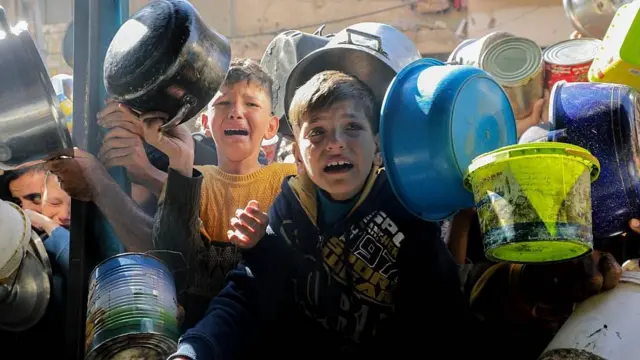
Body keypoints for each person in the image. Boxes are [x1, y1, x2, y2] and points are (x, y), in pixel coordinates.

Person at [168, 70, 477, 360]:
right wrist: (195, 348)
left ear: (378, 144)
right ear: (299, 157)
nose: (335, 143)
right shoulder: (290, 208)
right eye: (317, 132)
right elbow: (249, 292)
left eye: (352, 127)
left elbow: (443, 315)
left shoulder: (408, 212)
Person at [136, 58, 297, 330]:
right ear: (205, 123)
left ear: (271, 127)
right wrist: (180, 162)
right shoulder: (189, 178)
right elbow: (173, 262)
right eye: (223, 103)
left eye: (252, 104)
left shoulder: (288, 180)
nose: (236, 112)